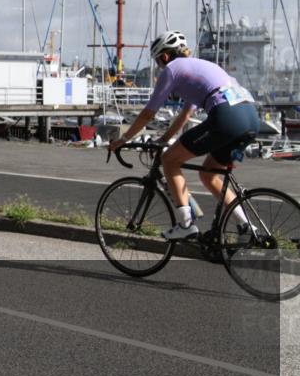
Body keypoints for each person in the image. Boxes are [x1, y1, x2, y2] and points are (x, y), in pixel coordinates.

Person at [108, 30, 260, 240]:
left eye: (158, 61)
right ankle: (246, 229)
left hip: (226, 116)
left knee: (169, 160)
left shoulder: (172, 69)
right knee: (209, 175)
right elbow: (186, 114)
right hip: (250, 116)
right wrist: (164, 139)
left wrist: (124, 139)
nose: (160, 66)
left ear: (164, 56)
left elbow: (148, 112)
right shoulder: (200, 67)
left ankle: (185, 224)